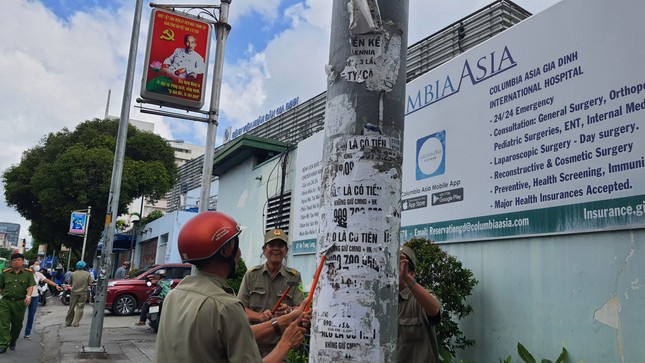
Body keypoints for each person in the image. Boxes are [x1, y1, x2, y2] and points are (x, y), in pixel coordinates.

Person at [155, 211, 308, 363]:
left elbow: (229, 333)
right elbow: (235, 322)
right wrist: (285, 343)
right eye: (237, 245)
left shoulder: (172, 296)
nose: (240, 253)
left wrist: (282, 320)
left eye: (280, 245)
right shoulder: (227, 306)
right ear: (225, 251)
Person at [237, 228, 305, 359]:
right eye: (271, 245)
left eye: (280, 245)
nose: (276, 249)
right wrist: (259, 316)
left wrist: (289, 310)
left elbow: (301, 308)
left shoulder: (294, 277)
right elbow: (240, 308)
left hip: (280, 347)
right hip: (252, 346)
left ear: (286, 251)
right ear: (264, 249)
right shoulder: (251, 275)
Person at [397, 244, 442, 363]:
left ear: (412, 273)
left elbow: (434, 310)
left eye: (401, 266)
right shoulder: (382, 301)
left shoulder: (419, 298)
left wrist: (407, 279)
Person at [0, 253, 35, 353]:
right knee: (3, 323)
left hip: (19, 303)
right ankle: (3, 343)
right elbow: (1, 287)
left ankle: (13, 340)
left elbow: (31, 286)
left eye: (19, 260)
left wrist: (28, 296)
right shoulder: (5, 273)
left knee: (17, 324)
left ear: (23, 262)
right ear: (11, 262)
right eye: (14, 260)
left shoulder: (28, 273)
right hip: (5, 302)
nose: (16, 262)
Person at [23, 261, 63, 339]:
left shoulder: (39, 274)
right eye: (36, 264)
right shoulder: (25, 273)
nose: (38, 266)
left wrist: (55, 285)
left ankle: (27, 333)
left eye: (38, 264)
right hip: (25, 296)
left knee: (31, 316)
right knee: (19, 316)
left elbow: (47, 280)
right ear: (31, 266)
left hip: (34, 297)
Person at [65, 261, 92, 327]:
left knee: (71, 307)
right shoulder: (87, 274)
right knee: (80, 308)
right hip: (83, 293)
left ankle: (68, 322)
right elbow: (90, 283)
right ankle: (75, 323)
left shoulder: (73, 274)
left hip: (74, 293)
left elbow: (70, 283)